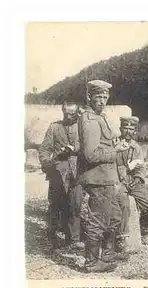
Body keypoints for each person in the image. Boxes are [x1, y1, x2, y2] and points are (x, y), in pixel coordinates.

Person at [77, 79, 130, 273]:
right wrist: (115, 151)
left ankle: (107, 255)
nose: (102, 100)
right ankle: (92, 262)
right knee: (98, 219)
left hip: (107, 177)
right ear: (89, 97)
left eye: (105, 97)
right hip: (97, 177)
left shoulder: (99, 117)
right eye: (98, 97)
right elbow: (90, 155)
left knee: (114, 215)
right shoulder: (90, 120)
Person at [38, 102, 84, 250]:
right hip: (57, 172)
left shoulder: (83, 128)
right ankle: (52, 237)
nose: (68, 116)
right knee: (55, 205)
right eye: (66, 113)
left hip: (77, 171)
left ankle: (73, 239)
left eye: (72, 113)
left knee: (75, 205)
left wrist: (76, 150)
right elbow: (44, 150)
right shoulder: (54, 127)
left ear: (78, 113)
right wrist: (48, 165)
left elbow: (89, 148)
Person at [115, 116, 148, 246]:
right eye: (125, 128)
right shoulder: (114, 145)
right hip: (117, 181)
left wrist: (138, 178)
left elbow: (140, 166)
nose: (127, 131)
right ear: (120, 129)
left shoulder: (136, 147)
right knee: (124, 205)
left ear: (135, 131)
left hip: (133, 181)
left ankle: (145, 233)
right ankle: (121, 238)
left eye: (131, 129)